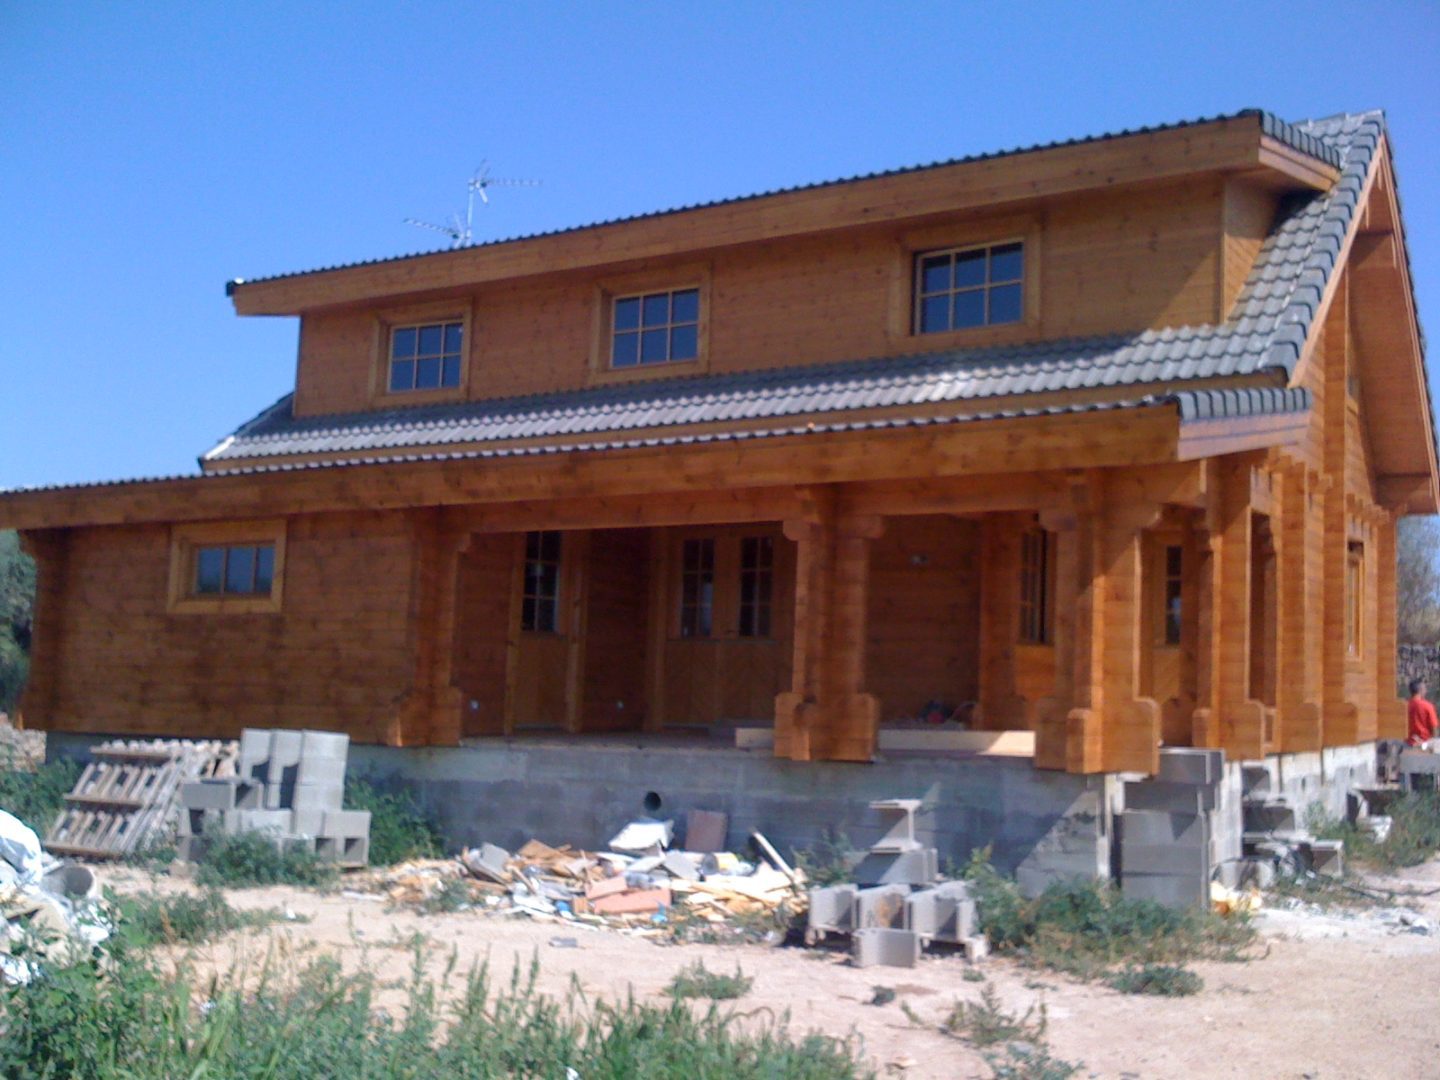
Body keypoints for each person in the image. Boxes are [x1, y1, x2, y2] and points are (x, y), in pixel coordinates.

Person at [1406, 678, 1438, 750]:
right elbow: (1434, 728)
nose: (1426, 690)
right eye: (1425, 688)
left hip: (1409, 743)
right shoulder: (1428, 706)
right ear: (1420, 690)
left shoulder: (1405, 706)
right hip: (1425, 743)